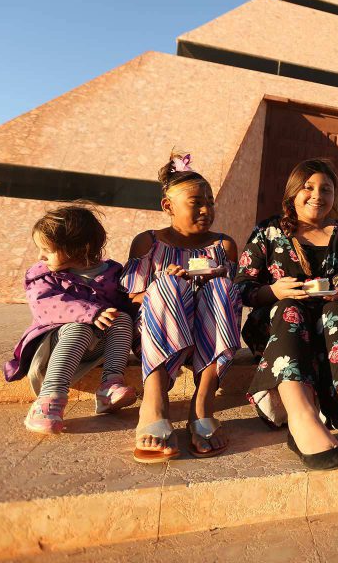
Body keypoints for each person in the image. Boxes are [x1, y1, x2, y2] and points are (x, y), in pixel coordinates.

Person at [236, 158, 338, 470]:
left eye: (325, 189)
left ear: (334, 196)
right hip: (278, 326)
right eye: (309, 187)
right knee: (290, 309)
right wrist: (275, 291)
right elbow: (243, 287)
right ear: (293, 193)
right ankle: (301, 419)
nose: (317, 194)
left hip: (328, 330)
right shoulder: (269, 231)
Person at [121, 153, 241, 463]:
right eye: (196, 202)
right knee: (167, 284)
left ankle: (202, 405)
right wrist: (167, 283)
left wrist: (215, 277)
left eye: (210, 202)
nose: (206, 209)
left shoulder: (223, 246)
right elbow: (133, 296)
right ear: (167, 206)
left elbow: (233, 300)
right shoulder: (149, 242)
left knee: (224, 286)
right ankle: (155, 403)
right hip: (158, 335)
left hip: (209, 336)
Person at [6, 205, 135, 434]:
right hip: (53, 347)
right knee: (80, 328)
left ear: (78, 248)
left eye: (47, 249)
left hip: (94, 350)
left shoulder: (112, 274)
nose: (40, 256)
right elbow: (45, 305)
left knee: (123, 318)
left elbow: (128, 303)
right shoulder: (42, 275)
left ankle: (110, 385)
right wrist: (91, 313)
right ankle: (48, 401)